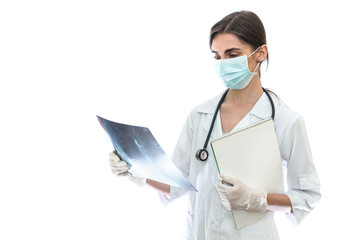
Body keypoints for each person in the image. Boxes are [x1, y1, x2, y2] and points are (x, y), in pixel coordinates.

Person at [109, 11, 321, 239]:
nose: (223, 64)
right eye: (217, 56)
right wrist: (137, 170)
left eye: (232, 55)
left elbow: (307, 195)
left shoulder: (286, 121)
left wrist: (257, 199)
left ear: (260, 53)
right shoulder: (200, 115)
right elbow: (177, 184)